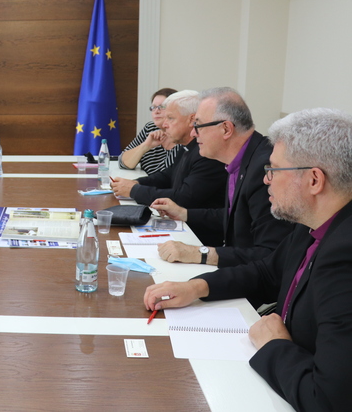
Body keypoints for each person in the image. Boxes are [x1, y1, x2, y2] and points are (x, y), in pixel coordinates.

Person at [144, 108, 352, 411]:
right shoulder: (313, 223)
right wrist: (197, 287)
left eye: (274, 170)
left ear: (314, 180)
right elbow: (266, 272)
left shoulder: (344, 259)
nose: (266, 180)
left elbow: (326, 399)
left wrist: (274, 345)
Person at [150, 87, 295, 264]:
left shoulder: (264, 169)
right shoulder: (243, 158)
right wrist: (184, 213)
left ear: (226, 129)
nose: (193, 133)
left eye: (198, 126)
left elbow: (270, 254)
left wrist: (202, 254)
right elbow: (236, 217)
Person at [111, 90, 227, 209]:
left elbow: (184, 198)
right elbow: (168, 176)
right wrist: (136, 183)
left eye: (170, 118)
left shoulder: (207, 151)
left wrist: (134, 190)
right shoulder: (186, 146)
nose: (165, 125)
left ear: (192, 120)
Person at [118, 88, 184, 175]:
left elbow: (168, 177)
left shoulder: (183, 137)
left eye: (162, 107)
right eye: (153, 107)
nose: (156, 111)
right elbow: (123, 163)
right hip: (141, 182)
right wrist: (145, 146)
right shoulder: (150, 128)